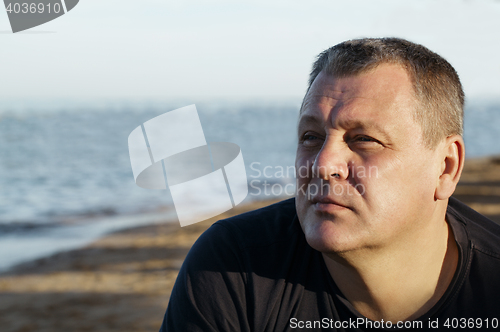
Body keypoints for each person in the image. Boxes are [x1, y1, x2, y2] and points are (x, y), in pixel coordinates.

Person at [159, 38, 500, 331]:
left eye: (364, 139)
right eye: (311, 137)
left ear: (446, 167)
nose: (322, 164)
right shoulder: (234, 266)